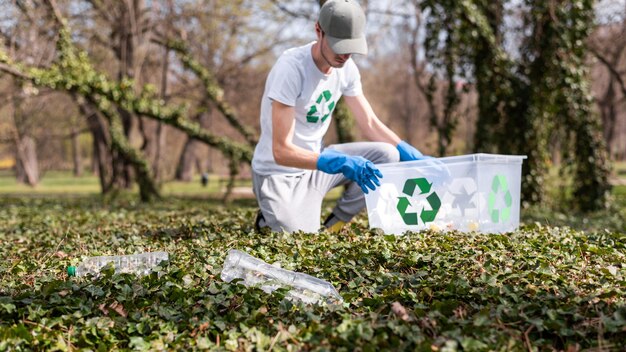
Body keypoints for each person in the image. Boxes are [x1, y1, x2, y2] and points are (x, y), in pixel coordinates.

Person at [251, 0, 434, 233]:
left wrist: (408, 152)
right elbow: (281, 152)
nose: (345, 54)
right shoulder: (291, 69)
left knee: (388, 155)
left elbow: (369, 123)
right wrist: (335, 162)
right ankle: (267, 220)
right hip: (278, 174)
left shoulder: (347, 69)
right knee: (300, 239)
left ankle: (335, 223)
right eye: (338, 45)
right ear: (319, 31)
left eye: (351, 46)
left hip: (316, 166)